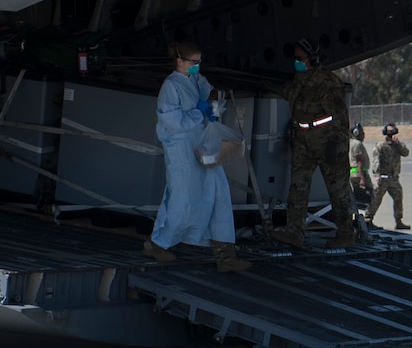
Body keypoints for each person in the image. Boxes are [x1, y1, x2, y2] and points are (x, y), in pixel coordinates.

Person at [146, 40, 249, 272]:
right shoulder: (170, 86)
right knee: (182, 198)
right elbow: (174, 123)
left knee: (218, 191)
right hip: (181, 149)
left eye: (199, 62)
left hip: (201, 143)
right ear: (180, 61)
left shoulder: (195, 79)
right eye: (193, 62)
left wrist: (211, 110)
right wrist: (197, 112)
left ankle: (225, 253)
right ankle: (157, 243)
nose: (197, 66)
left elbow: (207, 93)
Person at [272, 39, 356, 248]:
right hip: (303, 138)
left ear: (312, 59)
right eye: (295, 59)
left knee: (337, 188)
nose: (296, 62)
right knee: (298, 185)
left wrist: (335, 143)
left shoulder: (327, 81)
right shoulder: (300, 79)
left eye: (300, 59)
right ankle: (294, 232)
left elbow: (339, 115)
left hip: (327, 139)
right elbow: (291, 95)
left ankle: (346, 233)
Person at [368, 123, 410, 230]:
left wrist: (398, 143)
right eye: (389, 131)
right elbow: (376, 160)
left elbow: (406, 153)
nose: (391, 133)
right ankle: (368, 219)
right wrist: (377, 175)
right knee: (376, 199)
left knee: (398, 198)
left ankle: (398, 221)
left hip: (394, 178)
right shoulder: (381, 145)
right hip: (383, 178)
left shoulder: (397, 145)